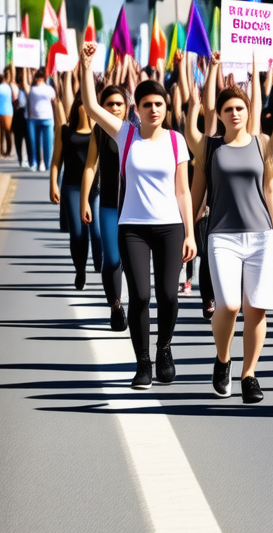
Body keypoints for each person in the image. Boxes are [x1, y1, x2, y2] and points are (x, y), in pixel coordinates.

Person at [79, 43, 197, 390]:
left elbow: (183, 191)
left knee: (169, 295)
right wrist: (86, 66)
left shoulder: (177, 141)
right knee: (141, 296)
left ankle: (164, 350)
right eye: (147, 105)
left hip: (170, 227)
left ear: (165, 106)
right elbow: (91, 106)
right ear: (137, 108)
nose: (154, 109)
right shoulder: (125, 133)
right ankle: (142, 363)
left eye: (159, 104)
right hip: (132, 227)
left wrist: (190, 233)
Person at [188, 60, 273, 404]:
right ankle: (223, 358)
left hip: (260, 235)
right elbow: (196, 189)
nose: (234, 113)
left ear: (248, 111)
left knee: (256, 307)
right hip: (222, 236)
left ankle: (249, 374)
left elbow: (271, 189)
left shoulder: (262, 143)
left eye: (240, 108)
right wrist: (211, 71)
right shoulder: (209, 147)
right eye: (228, 108)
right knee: (228, 304)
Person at [81, 84, 129, 331]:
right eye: (109, 104)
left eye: (119, 104)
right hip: (108, 204)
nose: (114, 108)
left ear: (126, 107)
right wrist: (84, 200)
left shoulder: (136, 131)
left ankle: (134, 303)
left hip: (134, 207)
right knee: (111, 259)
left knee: (128, 260)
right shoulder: (99, 132)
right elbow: (90, 167)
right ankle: (116, 305)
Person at [50, 75, 101, 291]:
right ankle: (80, 269)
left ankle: (100, 264)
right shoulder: (65, 131)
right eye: (80, 106)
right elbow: (56, 161)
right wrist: (53, 183)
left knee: (97, 231)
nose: (83, 109)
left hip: (96, 188)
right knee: (78, 233)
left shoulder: (99, 132)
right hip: (71, 187)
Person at [24, 69, 57, 172]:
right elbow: (25, 83)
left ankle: (48, 164)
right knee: (34, 143)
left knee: (48, 144)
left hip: (47, 119)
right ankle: (35, 163)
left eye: (39, 77)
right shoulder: (32, 89)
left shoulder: (49, 89)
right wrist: (26, 70)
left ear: (43, 78)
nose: (37, 79)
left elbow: (55, 103)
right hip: (33, 120)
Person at [0, 72, 14, 161]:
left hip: (1, 111)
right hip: (7, 111)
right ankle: (6, 151)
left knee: (2, 132)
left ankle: (3, 151)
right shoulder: (7, 86)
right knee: (6, 132)